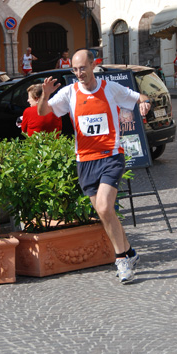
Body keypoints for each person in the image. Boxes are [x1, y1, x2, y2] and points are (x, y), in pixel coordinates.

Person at [38, 49, 151, 284]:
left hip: (111, 156)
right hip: (85, 160)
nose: (79, 73)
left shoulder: (110, 88)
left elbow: (139, 97)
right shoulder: (69, 92)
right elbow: (43, 112)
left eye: (83, 68)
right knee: (105, 213)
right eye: (75, 69)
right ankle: (129, 251)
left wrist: (145, 103)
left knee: (103, 207)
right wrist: (45, 95)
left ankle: (121, 260)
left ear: (93, 66)